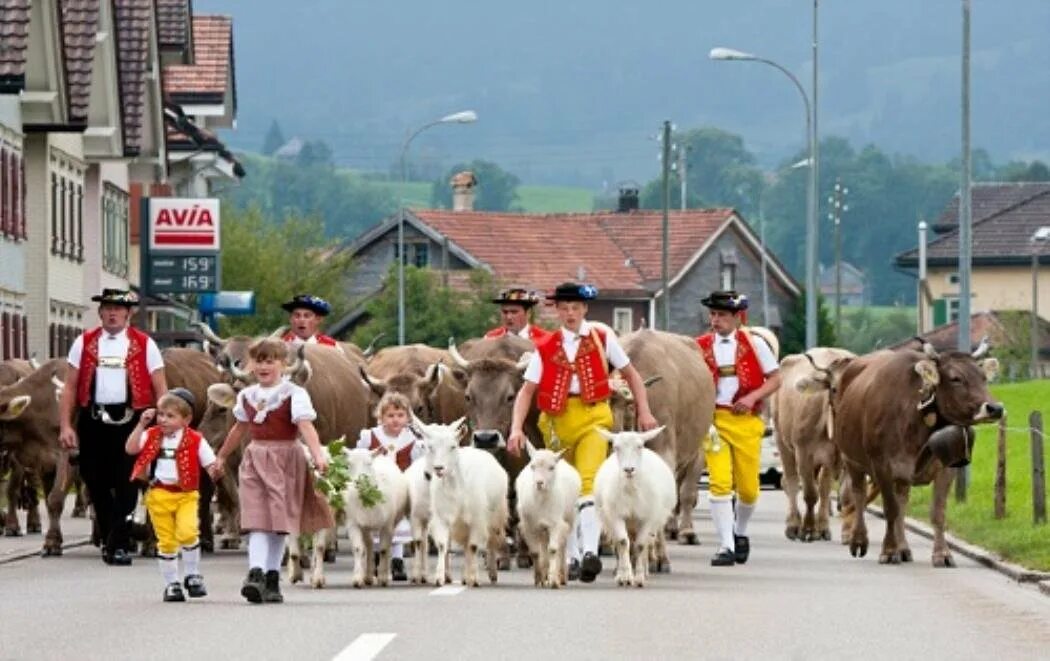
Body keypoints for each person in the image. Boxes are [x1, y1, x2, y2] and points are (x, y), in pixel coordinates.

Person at [507, 282, 658, 583]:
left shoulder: (602, 339)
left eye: (575, 307)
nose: (570, 313)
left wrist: (644, 410)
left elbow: (631, 375)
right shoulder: (546, 346)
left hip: (594, 417)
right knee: (562, 489)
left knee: (588, 482)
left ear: (585, 309)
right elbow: (526, 392)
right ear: (557, 311)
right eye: (564, 308)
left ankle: (589, 552)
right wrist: (515, 429)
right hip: (557, 421)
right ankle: (572, 555)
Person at [212, 338, 334, 604]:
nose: (264, 366)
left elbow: (305, 426)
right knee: (257, 519)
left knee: (278, 524)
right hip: (255, 458)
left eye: (270, 361)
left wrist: (317, 454)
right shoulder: (246, 396)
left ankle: (271, 578)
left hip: (286, 459)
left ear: (283, 364)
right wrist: (221, 456)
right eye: (259, 361)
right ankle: (255, 573)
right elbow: (238, 429)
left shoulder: (294, 394)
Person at [58, 288, 167, 566]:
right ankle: (111, 534)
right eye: (108, 308)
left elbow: (161, 388)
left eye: (118, 309)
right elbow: (70, 388)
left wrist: (163, 423)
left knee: (128, 480)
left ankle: (118, 543)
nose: (112, 313)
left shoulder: (145, 344)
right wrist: (65, 426)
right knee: (95, 480)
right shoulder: (84, 343)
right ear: (100, 312)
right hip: (94, 420)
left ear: (128, 314)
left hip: (133, 421)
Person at [696, 290, 781, 567]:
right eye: (713, 314)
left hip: (745, 421)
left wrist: (753, 397)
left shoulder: (755, 344)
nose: (715, 320)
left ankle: (740, 532)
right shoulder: (699, 347)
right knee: (719, 482)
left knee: (748, 489)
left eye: (721, 315)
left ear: (737, 317)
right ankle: (725, 545)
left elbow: (775, 378)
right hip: (713, 421)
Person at [126, 388, 220, 602]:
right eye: (161, 415)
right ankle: (171, 584)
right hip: (159, 494)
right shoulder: (151, 435)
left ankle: (193, 575)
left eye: (170, 416)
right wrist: (141, 424)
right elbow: (131, 449)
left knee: (188, 533)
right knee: (166, 541)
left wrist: (215, 470)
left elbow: (210, 463)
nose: (164, 420)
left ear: (186, 419)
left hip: (186, 495)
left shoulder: (196, 439)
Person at [355, 391, 423, 582]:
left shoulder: (412, 440)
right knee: (376, 521)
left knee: (397, 521)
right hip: (376, 486)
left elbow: (416, 464)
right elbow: (360, 458)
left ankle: (397, 560)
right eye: (390, 416)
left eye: (400, 415)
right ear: (381, 417)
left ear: (408, 418)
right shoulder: (370, 436)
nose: (395, 420)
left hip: (399, 488)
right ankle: (376, 556)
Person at [484, 287, 548, 343]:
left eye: (514, 312)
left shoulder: (545, 339)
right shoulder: (491, 338)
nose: (508, 317)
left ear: (528, 313)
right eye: (505, 312)